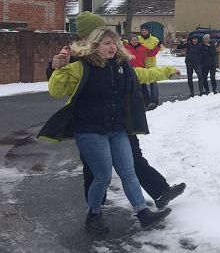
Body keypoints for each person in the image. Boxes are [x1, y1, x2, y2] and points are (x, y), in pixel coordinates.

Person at [47, 14, 186, 228]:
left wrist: (166, 70)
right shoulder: (76, 61)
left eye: (114, 42)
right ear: (92, 40)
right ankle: (94, 212)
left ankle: (144, 211)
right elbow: (57, 88)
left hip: (118, 126)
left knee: (129, 168)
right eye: (106, 42)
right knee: (99, 174)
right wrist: (58, 66)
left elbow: (140, 74)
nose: (112, 46)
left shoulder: (119, 64)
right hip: (90, 128)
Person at [123, 34, 160, 107]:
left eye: (136, 40)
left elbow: (151, 53)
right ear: (130, 41)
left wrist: (157, 46)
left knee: (143, 87)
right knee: (129, 88)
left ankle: (148, 103)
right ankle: (129, 104)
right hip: (130, 70)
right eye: (133, 40)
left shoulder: (142, 48)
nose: (135, 41)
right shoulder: (125, 48)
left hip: (141, 70)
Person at [138, 24, 162, 108]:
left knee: (153, 83)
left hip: (151, 64)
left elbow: (161, 48)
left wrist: (159, 45)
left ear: (148, 31)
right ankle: (146, 100)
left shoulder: (154, 39)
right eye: (143, 30)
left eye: (146, 30)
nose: (144, 32)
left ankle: (154, 101)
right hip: (140, 64)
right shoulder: (137, 39)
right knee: (142, 83)